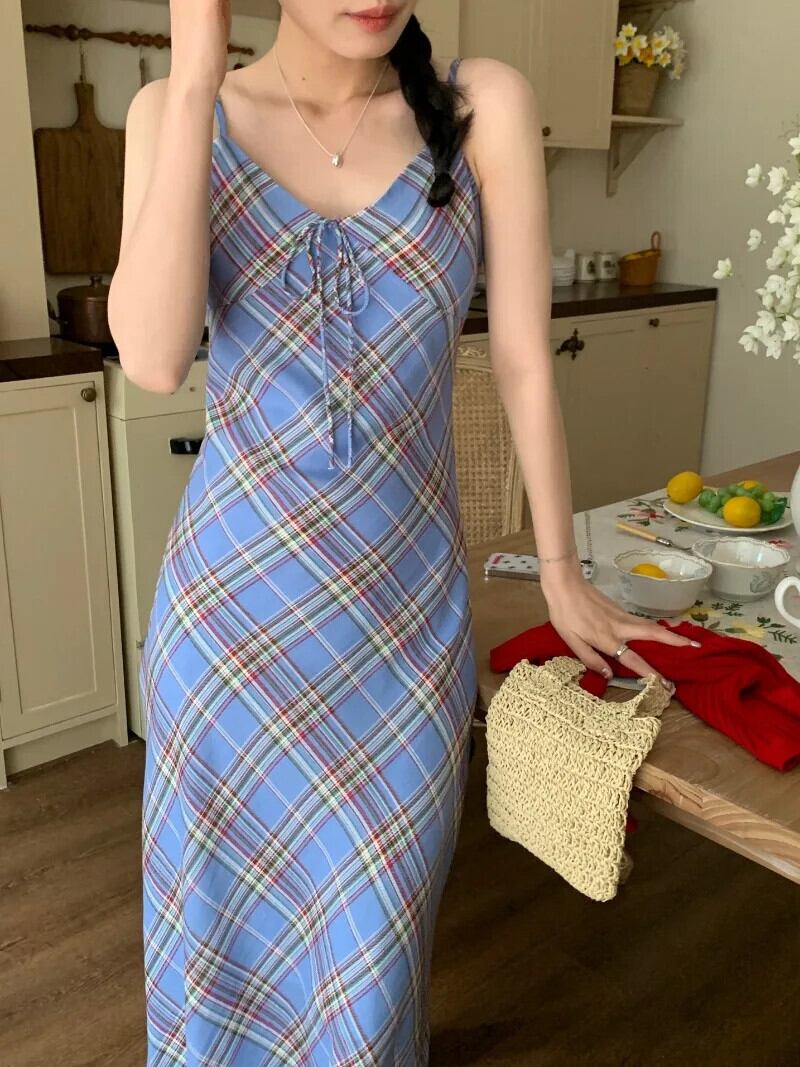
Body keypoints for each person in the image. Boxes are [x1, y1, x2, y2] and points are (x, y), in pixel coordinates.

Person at [109, 2, 698, 1063]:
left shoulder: (481, 107)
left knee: (373, 971)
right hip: (231, 638)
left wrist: (560, 570)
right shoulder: (173, 111)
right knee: (219, 961)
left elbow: (522, 358)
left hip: (401, 632)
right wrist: (195, 74)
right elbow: (153, 358)